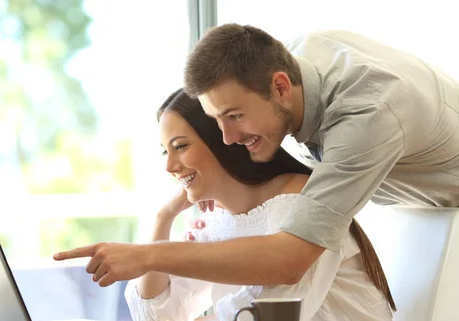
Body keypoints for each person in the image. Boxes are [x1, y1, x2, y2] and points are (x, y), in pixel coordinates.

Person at [53, 24, 459, 290]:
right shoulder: (295, 58)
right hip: (419, 205)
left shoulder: (367, 115)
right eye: (217, 119)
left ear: (281, 86)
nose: (226, 139)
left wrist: (145, 256)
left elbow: (288, 262)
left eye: (234, 116)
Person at [124, 88, 396, 321]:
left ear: (222, 139)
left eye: (180, 146)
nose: (169, 166)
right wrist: (164, 217)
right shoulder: (219, 220)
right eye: (165, 151)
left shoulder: (301, 203)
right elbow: (152, 318)